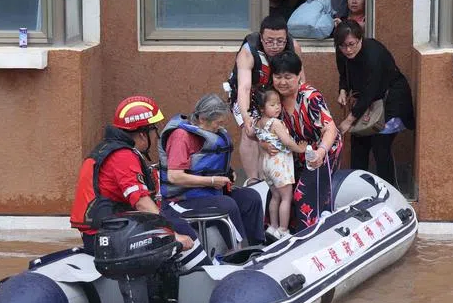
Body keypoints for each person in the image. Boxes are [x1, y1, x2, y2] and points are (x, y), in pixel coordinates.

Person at [70, 95, 207, 269]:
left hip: (104, 231)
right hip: (108, 237)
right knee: (180, 230)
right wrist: (173, 234)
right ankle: (207, 280)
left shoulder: (109, 149)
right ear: (143, 134)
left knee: (175, 222)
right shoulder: (122, 156)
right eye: (154, 131)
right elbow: (141, 202)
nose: (155, 136)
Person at [159, 94, 267, 248]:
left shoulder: (210, 132)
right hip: (181, 200)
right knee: (227, 205)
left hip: (210, 194)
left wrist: (228, 173)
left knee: (251, 197)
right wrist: (211, 181)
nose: (220, 128)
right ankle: (239, 252)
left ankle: (257, 246)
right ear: (202, 119)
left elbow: (206, 163)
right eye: (218, 123)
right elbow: (174, 176)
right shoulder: (180, 137)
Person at [333, 20, 416, 187]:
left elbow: (371, 91)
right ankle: (359, 191)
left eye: (352, 44)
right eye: (343, 46)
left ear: (360, 39)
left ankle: (390, 192)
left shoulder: (374, 54)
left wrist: (349, 120)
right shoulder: (341, 51)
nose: (348, 50)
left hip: (390, 100)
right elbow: (344, 74)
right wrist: (342, 90)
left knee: (380, 146)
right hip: (365, 104)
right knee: (358, 146)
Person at [225, 15, 305, 180]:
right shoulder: (248, 51)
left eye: (280, 41)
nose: (275, 46)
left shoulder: (294, 46)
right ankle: (254, 179)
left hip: (277, 92)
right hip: (250, 93)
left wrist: (300, 107)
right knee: (251, 132)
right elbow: (244, 88)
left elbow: (300, 80)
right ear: (261, 38)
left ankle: (276, 176)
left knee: (281, 129)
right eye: (269, 41)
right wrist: (246, 116)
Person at [270, 50, 343, 231]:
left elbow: (330, 128)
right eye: (278, 77)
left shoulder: (310, 97)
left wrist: (320, 152)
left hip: (323, 150)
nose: (282, 82)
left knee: (303, 195)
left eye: (288, 77)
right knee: (279, 191)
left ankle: (308, 235)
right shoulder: (273, 98)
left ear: (298, 76)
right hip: (295, 153)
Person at [251, 87, 309, 239]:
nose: (277, 107)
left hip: (266, 164)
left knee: (275, 196)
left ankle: (272, 227)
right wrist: (300, 149)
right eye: (272, 104)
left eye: (278, 103)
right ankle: (283, 230)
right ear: (262, 108)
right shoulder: (275, 123)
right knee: (286, 198)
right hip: (279, 164)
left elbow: (257, 138)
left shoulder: (258, 122)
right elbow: (287, 142)